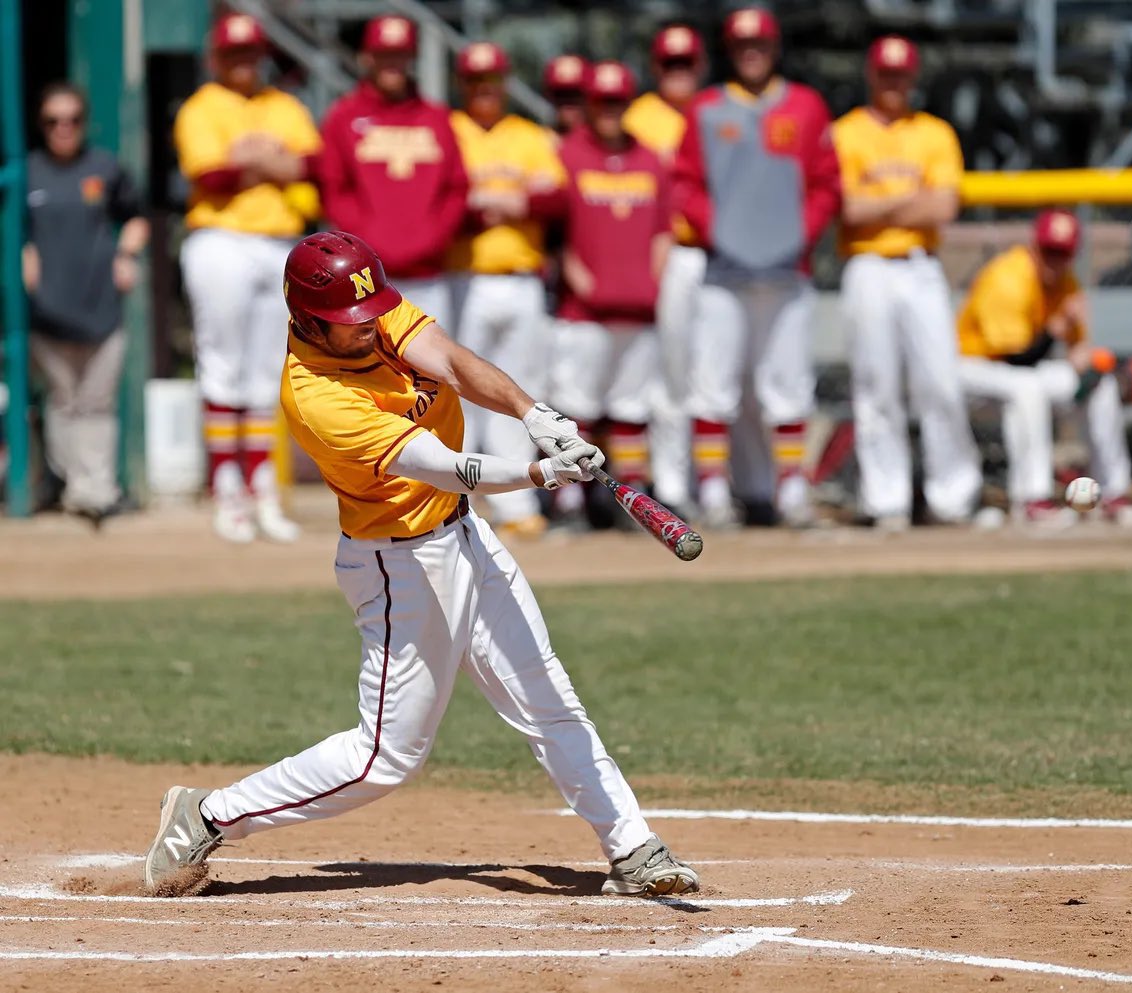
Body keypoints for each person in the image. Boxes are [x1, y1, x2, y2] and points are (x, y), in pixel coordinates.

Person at [142, 231, 699, 901]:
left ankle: (632, 846)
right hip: (399, 564)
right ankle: (206, 815)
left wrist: (534, 411)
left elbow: (455, 364)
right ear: (307, 319)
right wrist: (534, 471)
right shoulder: (315, 396)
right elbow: (441, 464)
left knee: (549, 698)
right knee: (384, 760)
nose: (368, 328)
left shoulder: (370, 314)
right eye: (349, 324)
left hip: (465, 537)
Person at [673, 8, 840, 529]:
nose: (752, 52)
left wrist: (796, 235)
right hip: (724, 271)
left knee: (788, 382)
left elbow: (825, 184)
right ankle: (715, 490)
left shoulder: (807, 107)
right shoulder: (705, 109)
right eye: (743, 44)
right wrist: (721, 234)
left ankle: (791, 490)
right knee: (713, 382)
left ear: (775, 47)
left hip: (787, 270)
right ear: (730, 49)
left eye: (760, 44)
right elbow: (685, 185)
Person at [174, 13, 321, 544]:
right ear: (217, 58)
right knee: (222, 364)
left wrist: (251, 161)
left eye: (250, 54)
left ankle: (261, 486)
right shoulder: (202, 107)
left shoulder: (284, 105)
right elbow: (210, 175)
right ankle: (227, 487)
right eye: (233, 54)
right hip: (219, 238)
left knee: (266, 369)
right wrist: (269, 162)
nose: (243, 63)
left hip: (279, 243)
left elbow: (312, 166)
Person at [832, 36, 982, 530]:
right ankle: (886, 498)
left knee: (939, 380)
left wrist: (879, 202)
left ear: (913, 78)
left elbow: (944, 207)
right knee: (876, 387)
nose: (893, 82)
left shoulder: (934, 132)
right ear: (871, 75)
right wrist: (907, 198)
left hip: (921, 265)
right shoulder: (846, 131)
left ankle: (952, 497)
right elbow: (847, 210)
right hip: (868, 264)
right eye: (885, 73)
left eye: (902, 74)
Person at [956, 210, 1132, 527]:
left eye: (1062, 254)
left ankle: (1113, 494)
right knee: (1027, 388)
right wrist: (1059, 329)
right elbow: (1017, 359)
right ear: (1035, 246)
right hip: (972, 370)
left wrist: (1084, 362)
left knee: (1100, 385)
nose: (1054, 261)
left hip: (1020, 372)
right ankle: (1032, 498)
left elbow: (1074, 347)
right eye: (1049, 251)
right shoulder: (1008, 277)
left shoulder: (1065, 282)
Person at [447, 42, 566, 539]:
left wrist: (497, 199)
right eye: (475, 81)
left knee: (520, 387)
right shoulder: (451, 130)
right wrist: (506, 200)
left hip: (521, 277)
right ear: (463, 84)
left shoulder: (529, 134)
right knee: (461, 390)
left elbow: (554, 196)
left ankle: (516, 502)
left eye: (492, 79)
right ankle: (461, 497)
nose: (485, 89)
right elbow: (447, 198)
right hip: (465, 276)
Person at [547, 61, 673, 523]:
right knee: (575, 407)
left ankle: (630, 501)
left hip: (637, 306)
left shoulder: (649, 158)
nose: (609, 112)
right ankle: (570, 499)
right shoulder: (569, 153)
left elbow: (663, 231)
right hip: (584, 311)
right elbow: (556, 232)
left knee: (631, 408)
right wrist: (578, 278)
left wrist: (652, 282)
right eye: (601, 103)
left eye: (618, 102)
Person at [22, 82, 149, 525]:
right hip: (48, 311)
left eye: (72, 119)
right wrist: (23, 255)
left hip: (100, 308)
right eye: (54, 121)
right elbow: (15, 231)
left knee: (96, 402)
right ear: (41, 125)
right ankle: (73, 483)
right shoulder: (27, 172)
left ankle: (94, 489)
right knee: (63, 401)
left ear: (83, 122)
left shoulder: (104, 168)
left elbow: (135, 215)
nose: (63, 128)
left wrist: (127, 254)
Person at [318, 14, 468, 328]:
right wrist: (368, 244)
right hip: (365, 280)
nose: (392, 63)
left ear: (412, 57)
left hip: (430, 277)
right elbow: (334, 188)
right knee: (366, 374)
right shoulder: (343, 116)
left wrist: (432, 240)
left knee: (430, 375)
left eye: (399, 54)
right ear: (366, 57)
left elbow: (455, 188)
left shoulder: (437, 118)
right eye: (383, 54)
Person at [622, 25, 708, 515]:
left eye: (686, 63)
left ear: (700, 66)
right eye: (669, 64)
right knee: (669, 375)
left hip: (719, 256)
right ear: (656, 68)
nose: (678, 72)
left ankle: (717, 481)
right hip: (665, 252)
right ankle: (673, 484)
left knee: (715, 379)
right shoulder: (639, 117)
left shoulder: (717, 110)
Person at [543, 55, 591, 141]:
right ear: (549, 97)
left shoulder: (610, 144)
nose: (567, 103)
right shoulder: (538, 144)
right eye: (560, 94)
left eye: (575, 95)